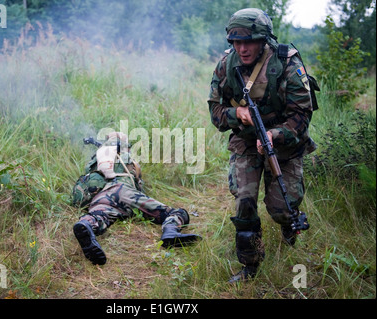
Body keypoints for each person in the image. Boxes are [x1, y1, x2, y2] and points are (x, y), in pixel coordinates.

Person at [207, 8, 317, 283]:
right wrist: (236, 115)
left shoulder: (286, 63)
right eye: (236, 42)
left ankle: (289, 227)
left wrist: (275, 135)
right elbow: (216, 113)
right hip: (245, 142)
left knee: (282, 209)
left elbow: (302, 115)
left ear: (264, 39)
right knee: (244, 202)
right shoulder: (226, 65)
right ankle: (250, 266)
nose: (242, 48)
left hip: (284, 144)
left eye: (249, 41)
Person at [72, 132, 202, 265]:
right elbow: (138, 182)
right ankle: (170, 231)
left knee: (99, 215)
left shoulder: (94, 163)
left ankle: (86, 223)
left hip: (102, 196)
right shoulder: (126, 157)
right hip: (124, 192)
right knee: (177, 213)